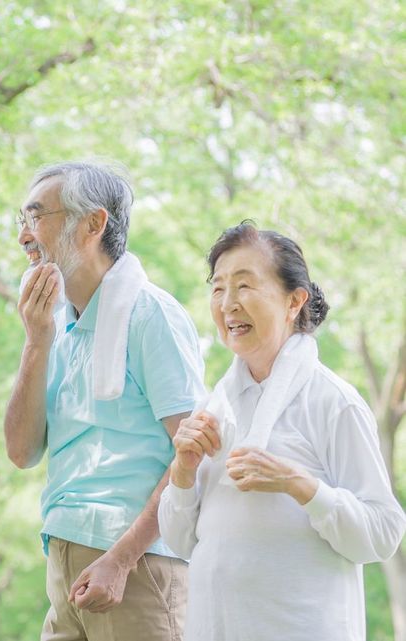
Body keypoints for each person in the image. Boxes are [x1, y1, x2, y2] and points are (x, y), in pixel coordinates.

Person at [158, 222, 406, 641]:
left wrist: (299, 485)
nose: (228, 303)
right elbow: (183, 543)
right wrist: (182, 473)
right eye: (218, 288)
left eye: (244, 285)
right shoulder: (213, 407)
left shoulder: (333, 402)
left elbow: (382, 534)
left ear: (295, 301)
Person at [4, 161, 206, 640]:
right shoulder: (54, 324)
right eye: (22, 221)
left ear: (94, 223)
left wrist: (122, 558)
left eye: (36, 218)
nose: (23, 238)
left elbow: (193, 452)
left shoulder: (150, 315)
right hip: (64, 559)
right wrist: (36, 342)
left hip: (137, 566)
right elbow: (22, 452)